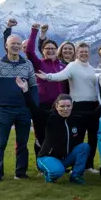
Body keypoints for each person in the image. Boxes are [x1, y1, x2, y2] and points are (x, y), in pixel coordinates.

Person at [0, 31, 38, 181]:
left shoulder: (27, 64)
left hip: (23, 109)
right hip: (3, 109)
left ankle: (20, 173)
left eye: (18, 44)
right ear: (6, 46)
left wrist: (34, 107)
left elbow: (34, 86)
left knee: (22, 143)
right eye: (13, 44)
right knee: (0, 144)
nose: (16, 46)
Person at [35, 41, 101, 172]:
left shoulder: (91, 68)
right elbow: (60, 76)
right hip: (78, 105)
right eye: (81, 51)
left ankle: (89, 165)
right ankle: (76, 166)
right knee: (78, 137)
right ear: (77, 53)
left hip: (93, 105)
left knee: (93, 137)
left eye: (86, 51)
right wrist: (47, 76)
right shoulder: (72, 66)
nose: (83, 54)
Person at [16, 79, 89, 183]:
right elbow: (33, 109)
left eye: (68, 106)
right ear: (56, 106)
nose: (65, 109)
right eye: (62, 106)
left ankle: (76, 176)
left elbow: (94, 115)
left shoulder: (75, 117)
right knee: (58, 171)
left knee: (84, 147)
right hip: (47, 157)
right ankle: (50, 176)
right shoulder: (49, 116)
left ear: (72, 106)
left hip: (64, 158)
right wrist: (25, 90)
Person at [26, 24, 69, 156]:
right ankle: (41, 163)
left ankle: (56, 160)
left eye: (53, 48)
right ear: (43, 51)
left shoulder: (63, 65)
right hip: (43, 105)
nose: (50, 51)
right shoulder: (39, 64)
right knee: (41, 135)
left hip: (58, 107)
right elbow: (29, 51)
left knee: (56, 135)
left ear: (57, 50)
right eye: (47, 48)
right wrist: (34, 32)